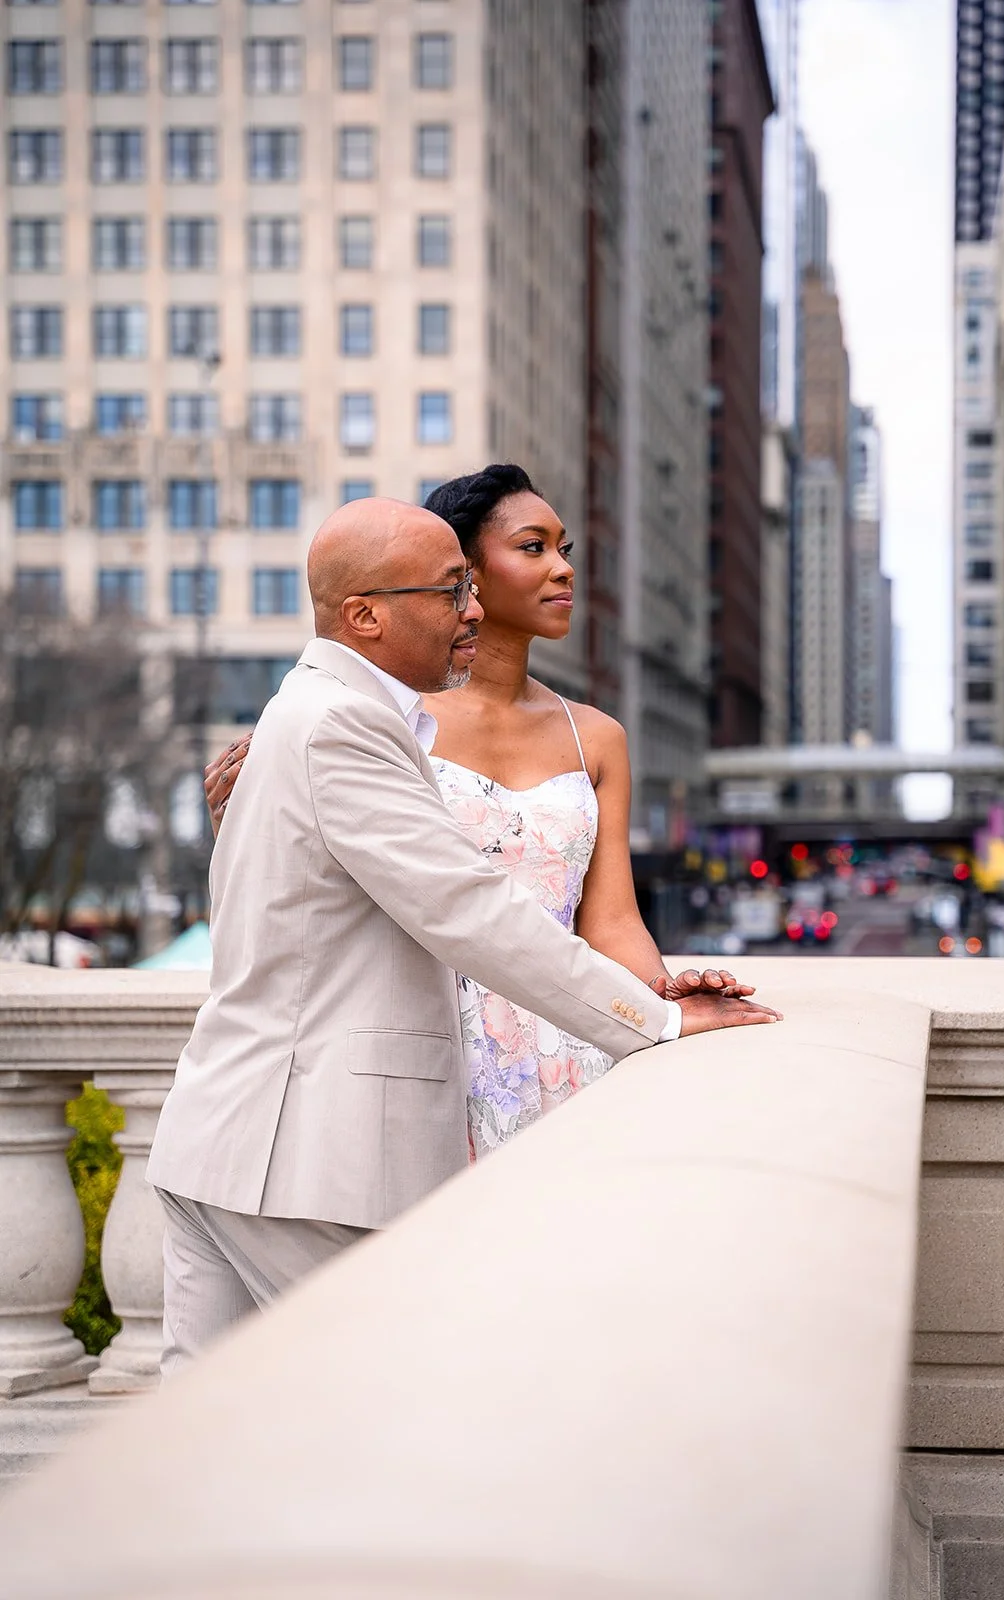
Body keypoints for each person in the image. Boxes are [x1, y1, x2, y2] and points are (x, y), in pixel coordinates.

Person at [152, 496, 780, 1375]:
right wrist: (661, 1024)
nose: (473, 611)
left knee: (205, 1446)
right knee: (388, 1410)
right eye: (452, 592)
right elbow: (467, 908)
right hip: (299, 1157)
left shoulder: (314, 712)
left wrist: (651, 992)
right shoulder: (342, 724)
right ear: (365, 614)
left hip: (221, 1140)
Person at [206, 467, 779, 1161]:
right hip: (418, 1053)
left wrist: (668, 1004)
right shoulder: (372, 722)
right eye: (533, 548)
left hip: (569, 1050)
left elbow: (609, 921)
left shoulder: (595, 736)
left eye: (565, 549)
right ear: (464, 578)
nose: (563, 570)